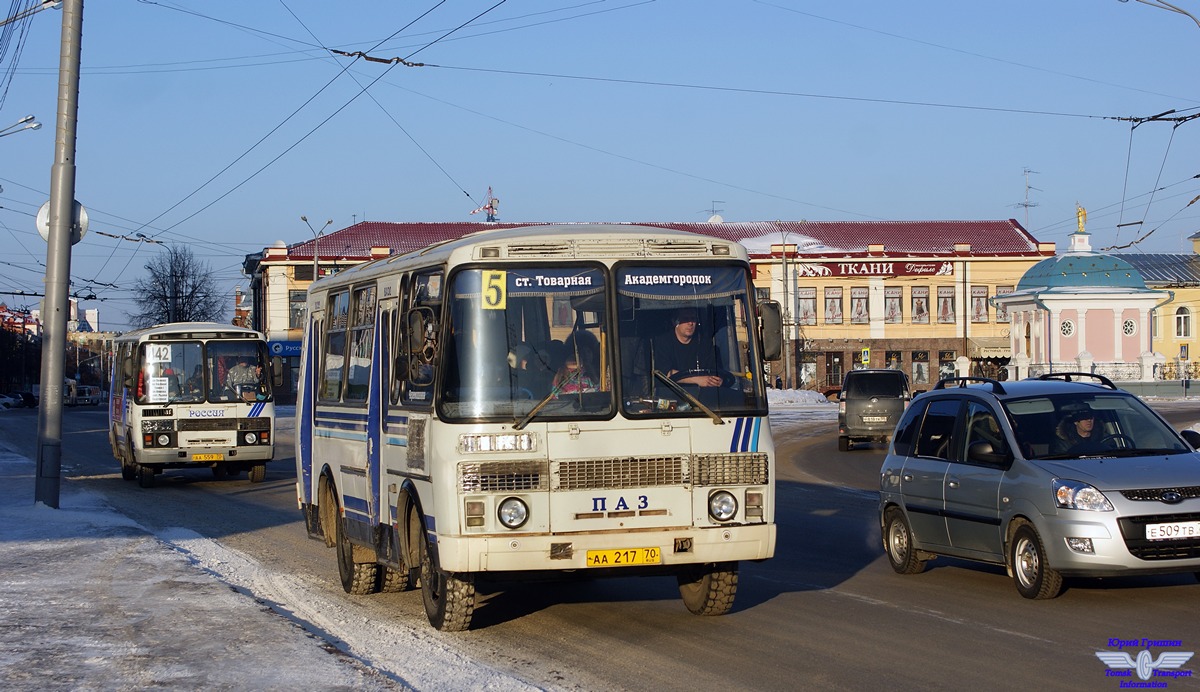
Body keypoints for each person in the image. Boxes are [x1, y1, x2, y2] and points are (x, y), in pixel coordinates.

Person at [652, 307, 726, 387]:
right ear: (675, 322)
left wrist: (717, 380)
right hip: (671, 393)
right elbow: (664, 373)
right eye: (686, 319)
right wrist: (697, 380)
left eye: (693, 319)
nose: (690, 323)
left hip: (700, 396)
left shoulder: (704, 343)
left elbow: (713, 371)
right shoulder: (663, 342)